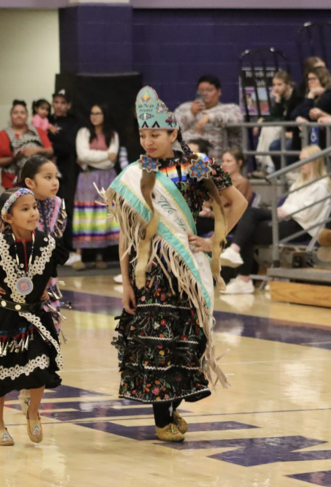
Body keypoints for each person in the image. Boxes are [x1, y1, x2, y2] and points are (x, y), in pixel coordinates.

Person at [104, 87, 247, 442]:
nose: (148, 141)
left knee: (187, 340)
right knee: (156, 342)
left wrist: (215, 240)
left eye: (156, 134)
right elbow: (126, 234)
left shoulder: (197, 164)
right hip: (149, 271)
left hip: (186, 269)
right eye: (143, 135)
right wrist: (125, 282)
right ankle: (162, 417)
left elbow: (236, 201)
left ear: (173, 134)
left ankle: (171, 405)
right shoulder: (134, 175)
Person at [0, 187, 69, 446]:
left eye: (34, 207)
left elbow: (52, 266)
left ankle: (33, 413)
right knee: (0, 371)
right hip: (5, 316)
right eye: (25, 209)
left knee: (41, 365)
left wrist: (43, 289)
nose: (33, 213)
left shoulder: (46, 242)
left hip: (35, 316)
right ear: (8, 217)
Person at [220, 145, 331, 294]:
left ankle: (242, 273)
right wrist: (284, 211)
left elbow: (308, 214)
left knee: (247, 225)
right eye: (300, 160)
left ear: (316, 161)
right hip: (287, 218)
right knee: (248, 218)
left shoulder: (322, 185)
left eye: (305, 160)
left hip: (301, 227)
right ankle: (238, 264)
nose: (301, 164)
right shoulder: (300, 182)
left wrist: (286, 211)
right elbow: (289, 205)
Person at [72, 104, 124, 270]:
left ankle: (99, 256)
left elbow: (112, 160)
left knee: (104, 215)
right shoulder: (84, 133)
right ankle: (79, 256)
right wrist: (104, 155)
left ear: (104, 115)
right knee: (85, 214)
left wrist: (92, 157)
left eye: (98, 113)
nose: (94, 116)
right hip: (88, 177)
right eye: (92, 113)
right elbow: (82, 155)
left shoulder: (113, 135)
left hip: (108, 177)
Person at [174, 74, 244, 158]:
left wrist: (209, 117)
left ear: (219, 92)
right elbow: (171, 129)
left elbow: (238, 120)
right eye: (201, 90)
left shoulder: (230, 108)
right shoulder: (184, 108)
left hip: (217, 163)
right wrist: (191, 113)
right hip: (185, 161)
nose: (205, 94)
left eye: (209, 90)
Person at [0, 100, 53, 190]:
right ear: (11, 116)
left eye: (22, 113)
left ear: (27, 116)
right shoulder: (2, 135)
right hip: (11, 183)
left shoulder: (38, 131)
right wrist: (14, 158)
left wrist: (37, 150)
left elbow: (50, 151)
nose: (19, 115)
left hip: (36, 182)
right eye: (15, 113)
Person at [47, 89, 80, 262]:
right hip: (42, 174)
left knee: (62, 211)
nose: (59, 106)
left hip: (63, 174)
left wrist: (49, 148)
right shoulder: (46, 120)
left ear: (68, 105)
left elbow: (67, 145)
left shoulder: (72, 123)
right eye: (56, 102)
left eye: (63, 103)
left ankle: (65, 249)